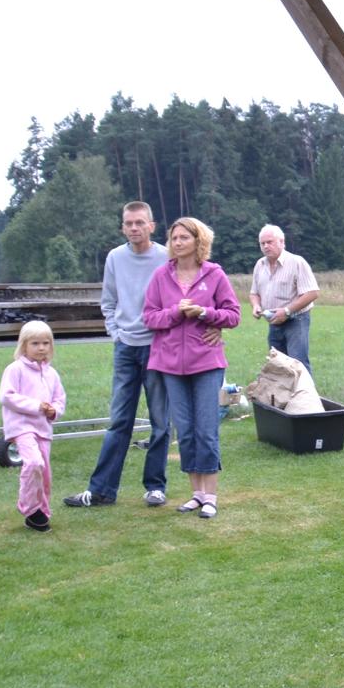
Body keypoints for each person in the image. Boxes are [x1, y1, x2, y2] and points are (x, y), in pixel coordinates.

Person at [67, 200, 171, 510]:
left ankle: (155, 487)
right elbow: (108, 301)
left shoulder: (166, 257)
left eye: (140, 222)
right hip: (125, 347)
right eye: (129, 223)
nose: (134, 228)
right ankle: (102, 491)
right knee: (119, 421)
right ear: (123, 227)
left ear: (152, 226)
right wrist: (116, 333)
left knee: (161, 422)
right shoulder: (115, 257)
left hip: (157, 347)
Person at [144, 217, 240, 519]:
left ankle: (211, 496)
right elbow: (149, 317)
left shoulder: (215, 274)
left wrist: (205, 314)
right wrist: (176, 312)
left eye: (184, 237)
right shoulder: (161, 276)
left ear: (199, 241)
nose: (178, 243)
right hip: (170, 364)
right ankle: (196, 494)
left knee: (206, 430)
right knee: (184, 432)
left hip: (207, 362)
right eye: (174, 238)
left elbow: (233, 314)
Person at [0, 320, 67, 533]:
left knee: (44, 472)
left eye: (45, 343)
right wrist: (37, 406)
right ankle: (29, 507)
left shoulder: (51, 374)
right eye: (35, 343)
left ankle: (40, 513)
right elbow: (7, 397)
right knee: (34, 463)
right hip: (21, 427)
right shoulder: (15, 369)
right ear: (24, 345)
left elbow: (59, 399)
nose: (41, 348)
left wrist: (53, 411)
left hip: (43, 429)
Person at [249, 224, 319, 375]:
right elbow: (254, 293)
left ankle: (305, 392)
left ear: (282, 242)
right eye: (262, 243)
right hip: (273, 321)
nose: (266, 246)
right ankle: (283, 392)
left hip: (296, 320)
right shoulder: (260, 265)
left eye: (269, 242)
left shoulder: (297, 262)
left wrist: (286, 311)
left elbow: (312, 293)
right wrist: (256, 306)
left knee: (298, 364)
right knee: (277, 365)